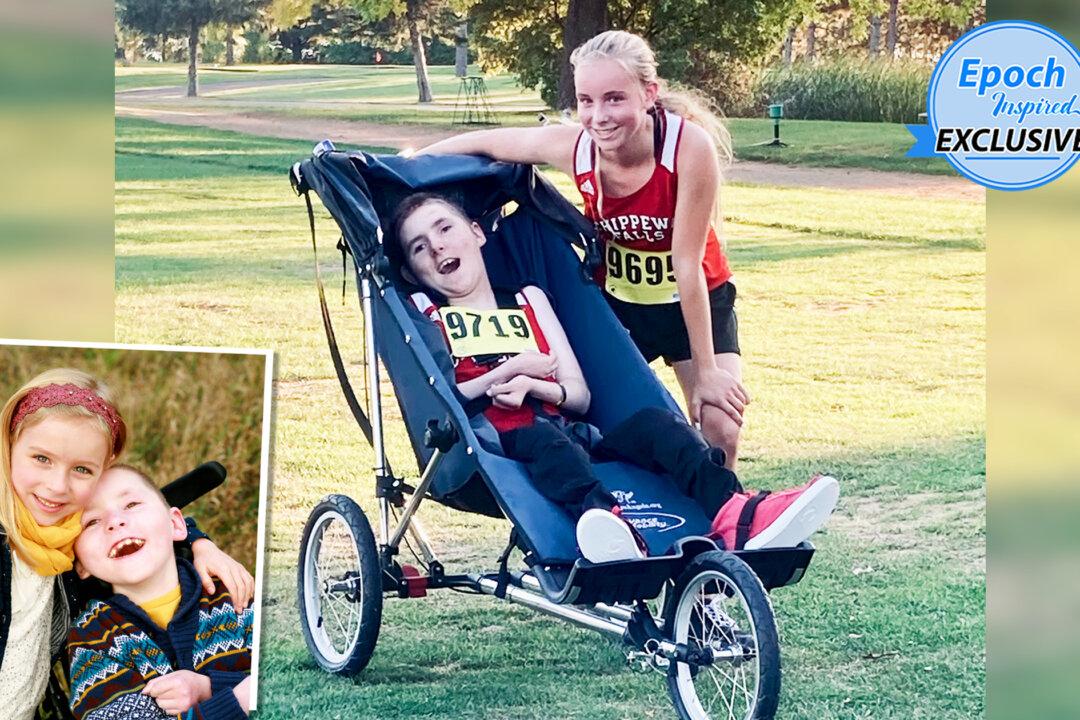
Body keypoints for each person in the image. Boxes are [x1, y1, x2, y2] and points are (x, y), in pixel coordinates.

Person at [390, 193, 838, 563]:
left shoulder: (528, 300)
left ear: (476, 232)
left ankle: (734, 511)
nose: (437, 247)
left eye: (444, 229)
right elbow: (446, 395)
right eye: (419, 247)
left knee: (658, 425)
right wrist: (513, 369)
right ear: (412, 272)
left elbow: (579, 395)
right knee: (544, 441)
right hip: (499, 448)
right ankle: (608, 523)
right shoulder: (428, 315)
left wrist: (534, 386)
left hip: (570, 432)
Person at [415, 30, 747, 469]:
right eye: (586, 101)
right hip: (622, 303)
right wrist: (408, 164)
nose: (598, 116)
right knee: (608, 420)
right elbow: (487, 142)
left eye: (614, 99)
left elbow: (686, 264)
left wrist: (706, 372)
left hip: (695, 299)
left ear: (649, 94)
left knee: (720, 426)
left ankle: (724, 507)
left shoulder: (687, 147)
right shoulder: (578, 148)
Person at [0, 369, 254, 720]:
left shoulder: (66, 530)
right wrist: (238, 697)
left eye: (82, 469)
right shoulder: (98, 637)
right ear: (9, 445)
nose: (57, 486)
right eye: (41, 458)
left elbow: (137, 519)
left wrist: (199, 543)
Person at [67, 465, 252, 719]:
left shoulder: (232, 595)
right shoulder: (93, 638)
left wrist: (208, 688)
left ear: (175, 524)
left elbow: (286, 679)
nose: (114, 522)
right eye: (91, 521)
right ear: (80, 564)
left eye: (131, 504)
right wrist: (238, 700)